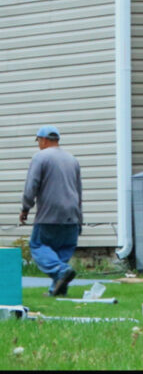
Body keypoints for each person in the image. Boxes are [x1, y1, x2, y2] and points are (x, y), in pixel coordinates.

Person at [19, 126, 82, 297]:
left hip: (49, 214)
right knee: (62, 250)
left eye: (38, 140)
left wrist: (25, 208)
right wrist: (80, 219)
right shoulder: (72, 159)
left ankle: (60, 271)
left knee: (38, 246)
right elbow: (78, 190)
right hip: (72, 215)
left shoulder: (40, 157)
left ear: (44, 140)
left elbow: (31, 186)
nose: (39, 144)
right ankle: (58, 289)